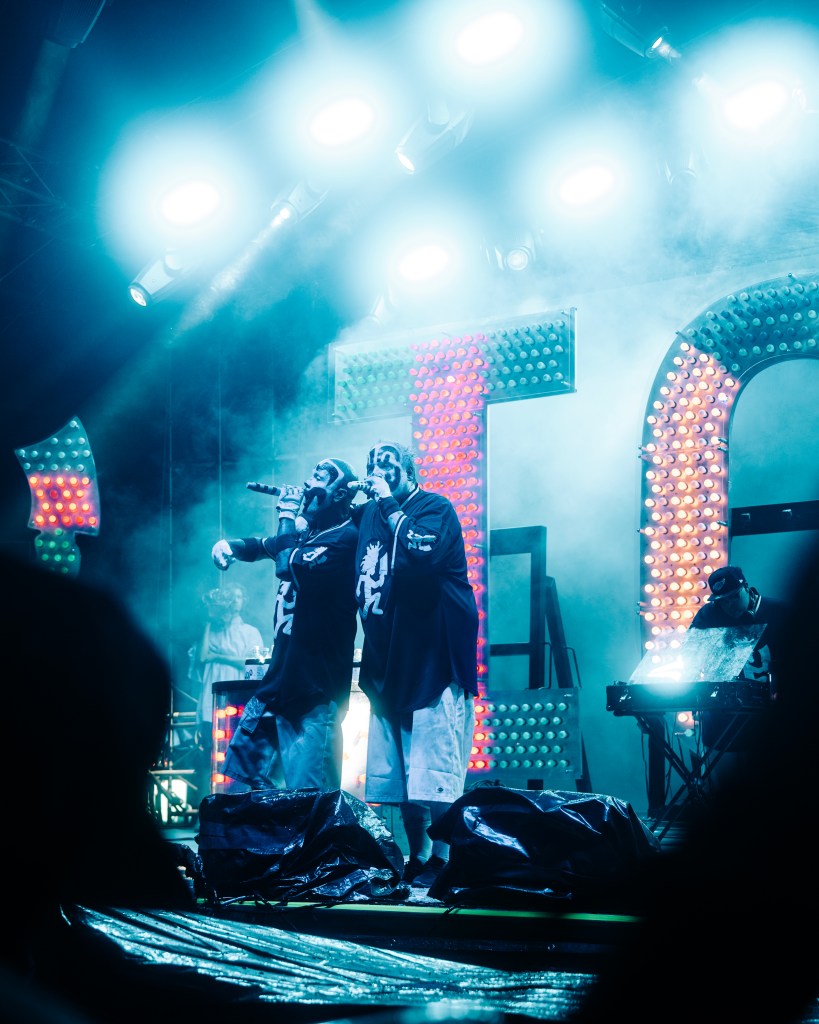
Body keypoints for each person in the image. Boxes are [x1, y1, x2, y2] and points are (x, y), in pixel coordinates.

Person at [351, 440, 479, 890]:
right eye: (372, 465)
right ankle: (418, 855)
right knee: (402, 779)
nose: (377, 472)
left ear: (408, 470)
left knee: (436, 772)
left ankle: (447, 858)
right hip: (388, 663)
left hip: (433, 661)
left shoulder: (434, 508)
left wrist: (386, 503)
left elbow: (422, 558)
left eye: (386, 466)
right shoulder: (370, 515)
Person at [210, 457, 359, 792]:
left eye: (322, 477)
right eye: (312, 473)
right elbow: (263, 546)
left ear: (339, 495)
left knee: (310, 797)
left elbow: (285, 564)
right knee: (241, 786)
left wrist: (287, 514)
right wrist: (229, 546)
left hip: (314, 687)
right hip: (278, 682)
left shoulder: (344, 539)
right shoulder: (307, 533)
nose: (310, 482)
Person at [688, 564, 789, 757]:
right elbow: (690, 652)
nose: (729, 605)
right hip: (720, 724)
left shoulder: (779, 612)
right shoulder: (708, 615)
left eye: (734, 596)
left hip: (767, 720)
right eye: (722, 601)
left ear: (747, 589)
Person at [191, 581, 264, 796]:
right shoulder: (211, 630)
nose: (233, 602)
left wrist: (218, 655)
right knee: (209, 754)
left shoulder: (249, 632)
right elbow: (202, 657)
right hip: (209, 701)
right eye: (230, 597)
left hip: (237, 701)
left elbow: (250, 662)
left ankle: (238, 800)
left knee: (238, 753)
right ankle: (207, 803)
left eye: (237, 597)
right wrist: (209, 621)